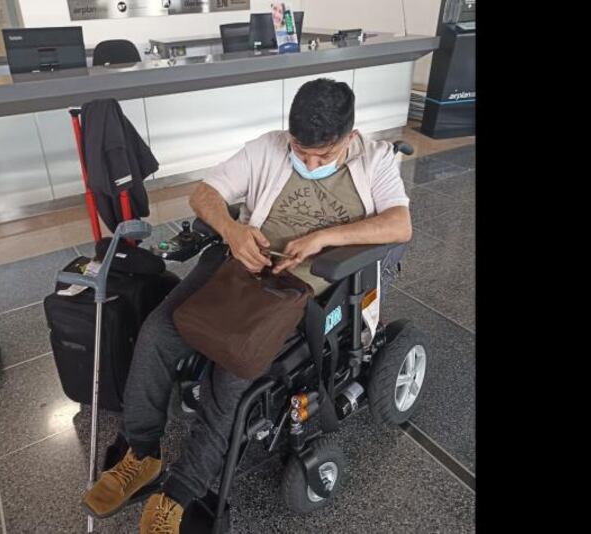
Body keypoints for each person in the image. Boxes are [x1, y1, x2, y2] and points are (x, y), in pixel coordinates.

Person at [82, 78, 412, 534]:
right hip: (238, 267)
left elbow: (399, 224)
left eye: (323, 157)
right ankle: (141, 454)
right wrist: (233, 231)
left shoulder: (374, 159)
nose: (309, 163)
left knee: (233, 368)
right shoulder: (268, 148)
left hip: (296, 289)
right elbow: (204, 194)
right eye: (301, 151)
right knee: (158, 331)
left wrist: (323, 237)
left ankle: (181, 491)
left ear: (349, 138)